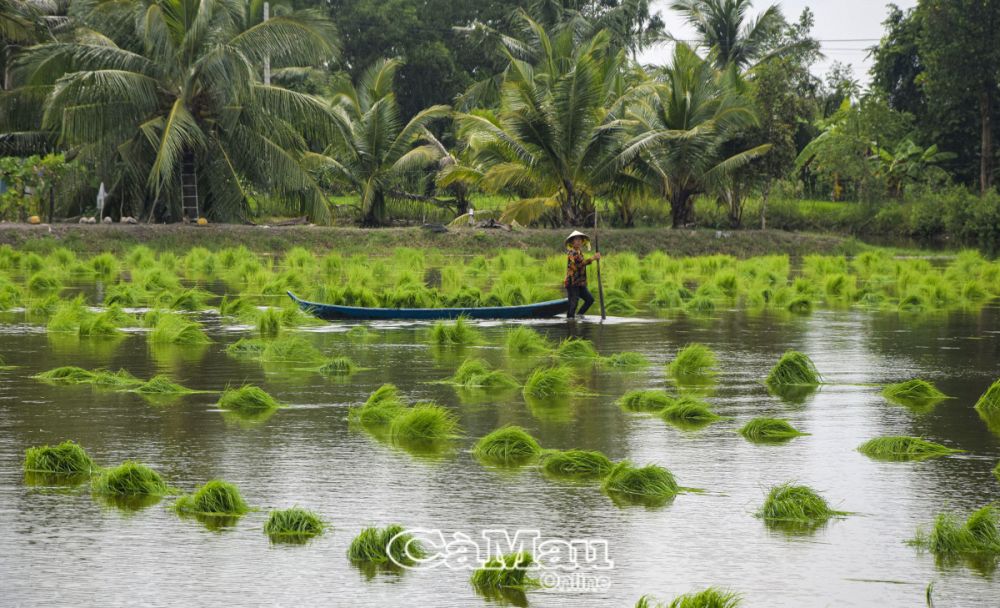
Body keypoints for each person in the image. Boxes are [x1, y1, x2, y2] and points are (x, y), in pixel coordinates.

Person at [563, 230, 601, 318]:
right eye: (576, 239)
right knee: (574, 303)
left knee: (589, 300)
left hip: (580, 283)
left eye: (580, 240)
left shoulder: (579, 252)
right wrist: (594, 258)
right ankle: (570, 321)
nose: (579, 241)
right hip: (572, 283)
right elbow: (581, 263)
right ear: (572, 242)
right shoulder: (572, 252)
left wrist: (594, 258)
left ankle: (579, 315)